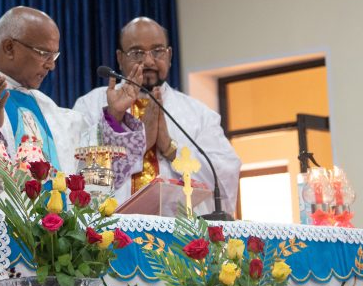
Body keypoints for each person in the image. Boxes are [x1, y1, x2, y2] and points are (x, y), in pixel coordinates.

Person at [0, 6, 147, 218]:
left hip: (53, 243)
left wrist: (114, 116)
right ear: (9, 47)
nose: (51, 65)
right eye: (44, 53)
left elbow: (88, 165)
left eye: (55, 56)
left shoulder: (47, 107)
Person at [74, 17, 241, 215]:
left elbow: (226, 171)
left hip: (181, 239)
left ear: (169, 55)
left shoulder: (199, 114)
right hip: (113, 236)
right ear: (120, 58)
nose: (148, 61)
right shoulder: (91, 104)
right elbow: (79, 173)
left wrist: (169, 148)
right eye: (137, 52)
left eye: (158, 51)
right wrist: (122, 126)